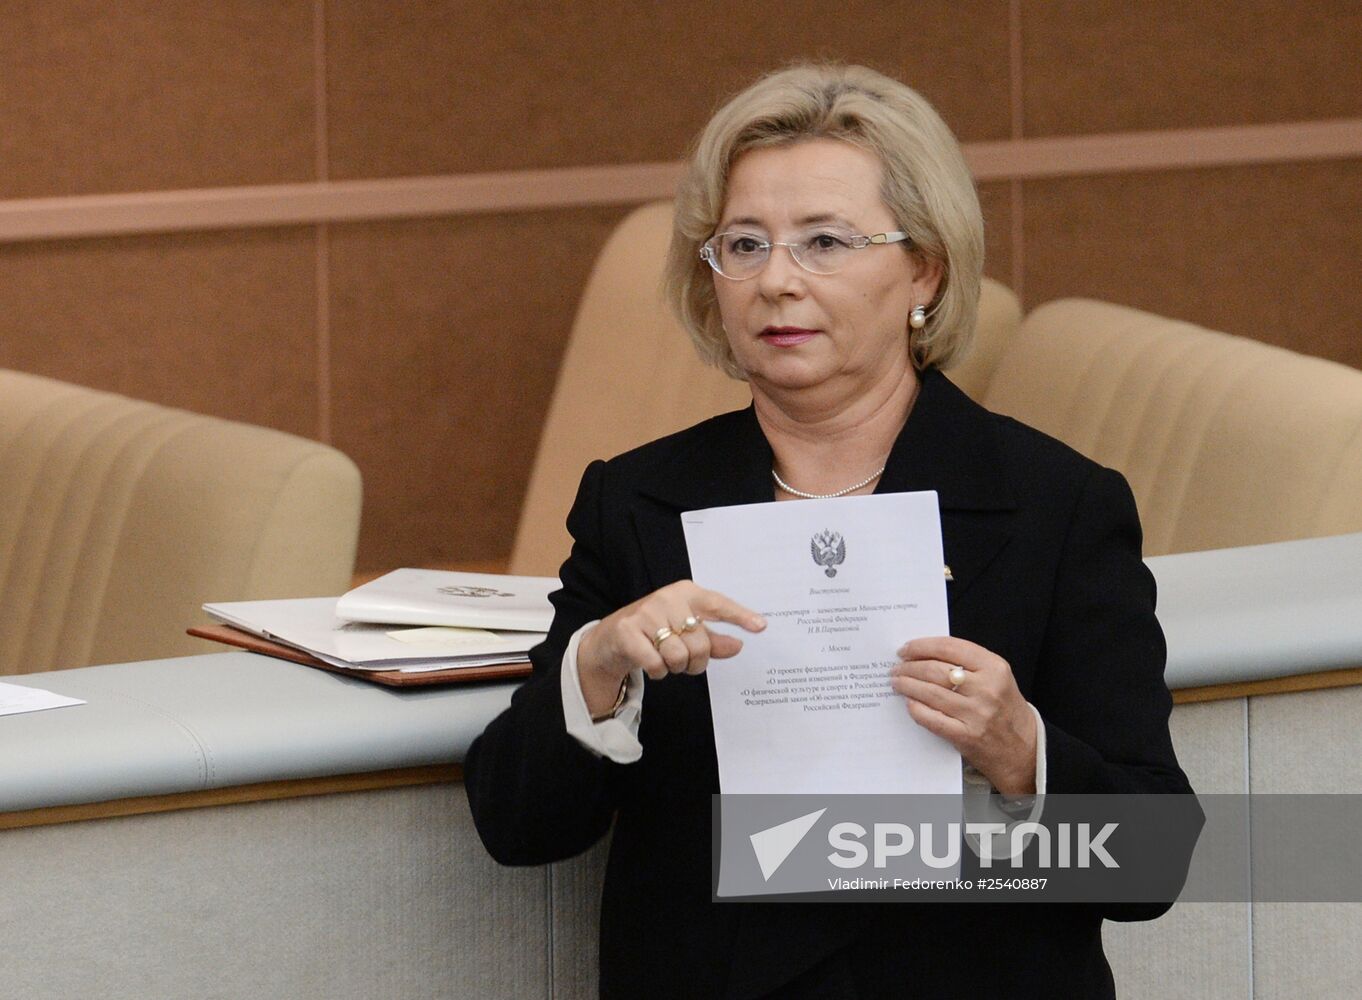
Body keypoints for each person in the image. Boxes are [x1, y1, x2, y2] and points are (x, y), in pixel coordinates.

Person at [465, 62, 1194, 998]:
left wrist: (1022, 752)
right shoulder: (639, 500)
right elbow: (519, 827)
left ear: (924, 267)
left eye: (824, 242)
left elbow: (1151, 866)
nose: (776, 282)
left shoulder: (1056, 503)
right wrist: (598, 668)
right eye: (744, 244)